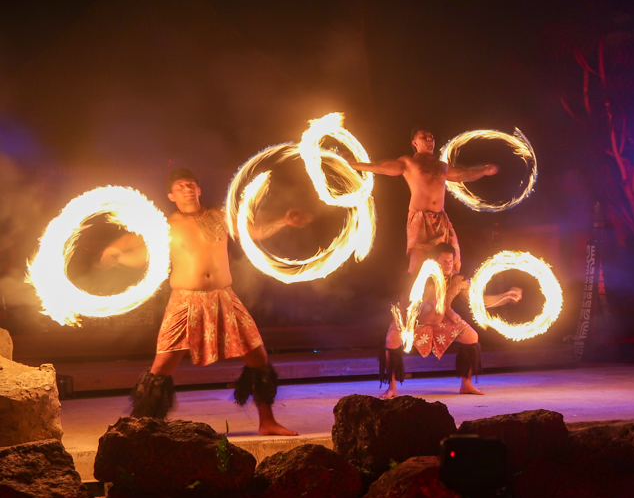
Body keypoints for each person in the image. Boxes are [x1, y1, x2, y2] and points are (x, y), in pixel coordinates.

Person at [100, 168, 310, 435]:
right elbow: (138, 250)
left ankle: (267, 422)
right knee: (162, 366)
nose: (187, 188)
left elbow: (254, 230)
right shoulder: (165, 226)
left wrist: (284, 221)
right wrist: (116, 251)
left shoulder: (219, 217)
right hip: (185, 300)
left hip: (224, 296)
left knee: (258, 357)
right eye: (180, 186)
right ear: (171, 195)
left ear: (199, 190)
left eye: (191, 184)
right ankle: (143, 427)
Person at [351, 126, 499, 275]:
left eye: (431, 137)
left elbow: (464, 174)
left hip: (441, 219)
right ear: (415, 143)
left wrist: (484, 170)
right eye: (424, 137)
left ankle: (445, 295)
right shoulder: (409, 163)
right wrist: (351, 163)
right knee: (417, 263)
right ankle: (412, 297)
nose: (430, 140)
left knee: (454, 263)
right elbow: (378, 167)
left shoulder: (442, 166)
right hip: (420, 218)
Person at [380, 243, 522, 398]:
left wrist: (505, 297)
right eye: (444, 261)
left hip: (440, 320)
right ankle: (392, 388)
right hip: (413, 318)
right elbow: (406, 301)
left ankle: (466, 385)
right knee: (391, 341)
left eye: (450, 261)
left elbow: (478, 301)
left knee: (471, 337)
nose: (448, 264)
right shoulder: (419, 276)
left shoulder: (457, 280)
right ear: (434, 261)